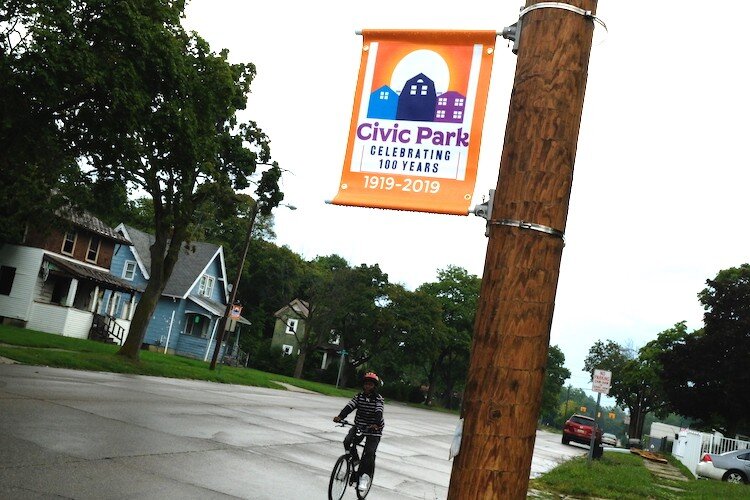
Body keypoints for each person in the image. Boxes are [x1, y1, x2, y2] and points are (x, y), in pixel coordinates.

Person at [333, 371, 384, 492]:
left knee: (369, 453)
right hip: (360, 426)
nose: (368, 386)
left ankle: (364, 478)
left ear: (374, 386)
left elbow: (378, 411)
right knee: (347, 441)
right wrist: (340, 417)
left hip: (374, 429)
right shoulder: (359, 397)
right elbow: (350, 406)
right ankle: (355, 460)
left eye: (370, 385)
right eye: (366, 384)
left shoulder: (378, 399)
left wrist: (376, 424)